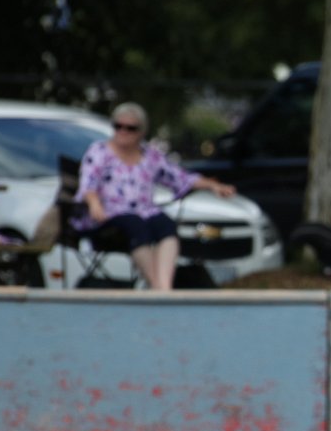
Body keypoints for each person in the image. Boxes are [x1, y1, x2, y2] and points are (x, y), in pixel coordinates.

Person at [74, 101, 235, 290]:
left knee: (165, 225)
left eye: (130, 128)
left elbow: (179, 177)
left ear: (142, 131)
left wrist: (213, 186)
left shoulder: (150, 156)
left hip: (144, 211)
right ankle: (157, 286)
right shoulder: (99, 152)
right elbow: (88, 184)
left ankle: (164, 287)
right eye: (118, 126)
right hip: (108, 215)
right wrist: (94, 203)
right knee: (135, 225)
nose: (123, 132)